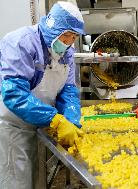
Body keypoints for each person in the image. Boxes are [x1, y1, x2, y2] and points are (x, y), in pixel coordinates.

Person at [0, 2, 85, 188]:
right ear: (53, 27)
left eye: (74, 37)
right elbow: (14, 94)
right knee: (17, 182)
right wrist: (55, 119)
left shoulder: (67, 54)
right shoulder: (21, 42)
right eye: (66, 35)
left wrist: (71, 121)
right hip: (15, 128)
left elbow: (67, 90)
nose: (69, 42)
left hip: (41, 128)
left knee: (39, 181)